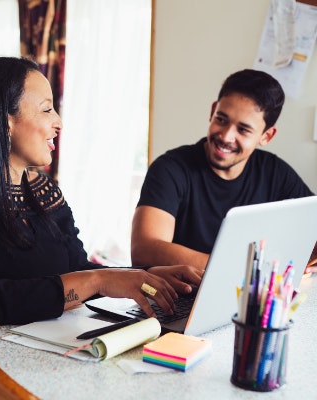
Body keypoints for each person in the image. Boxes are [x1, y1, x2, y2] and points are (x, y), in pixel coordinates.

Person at [0, 57, 203, 399]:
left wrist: (146, 276)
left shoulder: (42, 189)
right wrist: (97, 280)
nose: (58, 123)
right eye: (46, 110)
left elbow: (77, 269)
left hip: (38, 363)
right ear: (2, 121)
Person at [131, 69, 315, 273]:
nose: (226, 136)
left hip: (247, 299)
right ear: (212, 112)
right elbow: (144, 251)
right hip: (176, 299)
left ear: (267, 136)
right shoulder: (170, 168)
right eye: (221, 119)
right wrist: (246, 271)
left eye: (243, 130)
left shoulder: (276, 173)